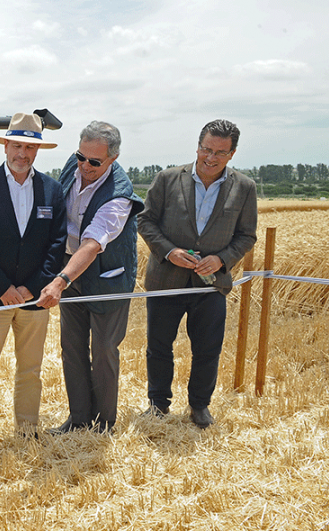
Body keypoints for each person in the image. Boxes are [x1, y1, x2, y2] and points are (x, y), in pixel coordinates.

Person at [138, 119, 257, 428]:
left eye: (220, 151)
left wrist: (221, 260)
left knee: (207, 348)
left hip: (211, 285)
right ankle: (158, 404)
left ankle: (200, 406)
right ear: (198, 146)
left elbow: (246, 236)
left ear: (232, 153)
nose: (211, 157)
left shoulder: (244, 187)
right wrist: (169, 251)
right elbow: (146, 222)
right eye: (206, 149)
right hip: (166, 280)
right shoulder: (167, 179)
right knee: (159, 346)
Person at [0, 113, 67, 447]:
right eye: (17, 145)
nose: (23, 154)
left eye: (30, 148)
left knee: (31, 368)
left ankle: (27, 428)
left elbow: (57, 244)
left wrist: (32, 287)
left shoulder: (52, 190)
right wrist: (1, 287)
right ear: (5, 146)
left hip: (35, 299)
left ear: (38, 151)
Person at [37, 121, 144, 434]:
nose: (84, 166)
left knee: (104, 351)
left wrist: (59, 281)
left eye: (94, 162)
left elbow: (93, 244)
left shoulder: (118, 197)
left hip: (106, 278)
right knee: (71, 347)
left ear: (113, 159)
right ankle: (78, 418)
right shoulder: (76, 165)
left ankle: (104, 424)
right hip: (70, 268)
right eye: (80, 157)